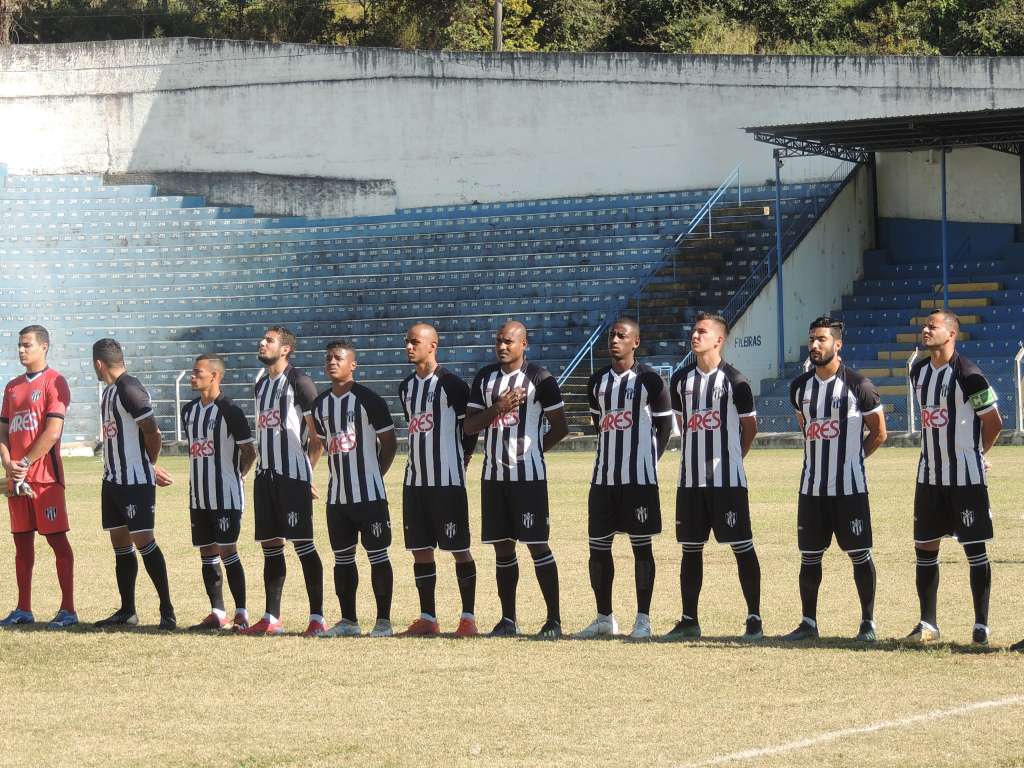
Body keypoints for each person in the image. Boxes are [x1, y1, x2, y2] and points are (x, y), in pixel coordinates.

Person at [783, 317, 886, 642]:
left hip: (850, 490)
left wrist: (852, 460)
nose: (815, 345)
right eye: (812, 339)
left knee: (859, 554)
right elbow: (806, 427)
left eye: (822, 340)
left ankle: (867, 623)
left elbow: (879, 433)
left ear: (837, 344)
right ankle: (808, 623)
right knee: (810, 556)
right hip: (811, 490)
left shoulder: (860, 386)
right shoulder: (799, 388)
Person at [465, 320, 568, 638]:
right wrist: (498, 407)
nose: (502, 346)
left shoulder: (541, 378)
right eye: (498, 341)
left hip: (529, 478)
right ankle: (508, 619)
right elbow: (469, 426)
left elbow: (560, 426)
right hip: (494, 477)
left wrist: (533, 452)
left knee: (537, 543)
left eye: (509, 341)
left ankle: (553, 621)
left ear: (524, 344)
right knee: (502, 547)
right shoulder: (485, 377)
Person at [667, 312, 763, 641]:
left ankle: (754, 618)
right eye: (694, 330)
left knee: (741, 547)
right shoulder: (680, 381)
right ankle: (689, 620)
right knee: (690, 550)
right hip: (691, 483)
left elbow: (750, 428)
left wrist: (733, 459)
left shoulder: (736, 381)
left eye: (702, 332)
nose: (695, 336)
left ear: (718, 340)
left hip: (728, 483)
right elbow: (682, 424)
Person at [908, 309, 1002, 646]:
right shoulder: (918, 371)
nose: (925, 329)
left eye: (932, 326)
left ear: (951, 334)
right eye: (925, 325)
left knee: (974, 549)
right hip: (929, 476)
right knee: (925, 547)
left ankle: (981, 627)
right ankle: (927, 624)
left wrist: (978, 456)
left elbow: (994, 422)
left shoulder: (970, 375)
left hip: (966, 479)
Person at [577, 318, 673, 640]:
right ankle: (604, 618)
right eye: (611, 335)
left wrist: (648, 461)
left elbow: (664, 428)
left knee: (641, 549)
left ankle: (643, 620)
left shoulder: (651, 381)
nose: (614, 340)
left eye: (622, 336)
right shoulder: (597, 382)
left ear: (636, 342)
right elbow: (598, 424)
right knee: (598, 549)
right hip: (603, 479)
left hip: (639, 481)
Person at [311, 340, 398, 637]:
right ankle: (348, 621)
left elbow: (389, 444)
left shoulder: (369, 400)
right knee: (342, 559)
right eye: (328, 358)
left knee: (377, 556)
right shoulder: (320, 404)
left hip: (370, 495)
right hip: (337, 497)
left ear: (353, 364)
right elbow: (324, 443)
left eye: (338, 358)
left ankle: (383, 621)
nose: (332, 362)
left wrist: (375, 474)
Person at [243, 326, 326, 637]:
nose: (262, 343)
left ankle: (317, 618)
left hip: (293, 476)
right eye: (262, 338)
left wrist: (306, 474)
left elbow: (317, 437)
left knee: (303, 544)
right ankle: (271, 617)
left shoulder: (299, 382)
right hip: (266, 476)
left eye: (269, 340)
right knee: (271, 547)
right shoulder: (261, 382)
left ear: (286, 349)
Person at [397, 323, 479, 637]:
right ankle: (428, 618)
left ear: (433, 345)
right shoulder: (406, 387)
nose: (408, 347)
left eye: (414, 342)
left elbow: (469, 430)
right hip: (415, 480)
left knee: (459, 547)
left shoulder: (453, 386)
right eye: (407, 342)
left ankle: (468, 618)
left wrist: (464, 458)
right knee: (420, 549)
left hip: (447, 480)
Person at [91, 338, 176, 629]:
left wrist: (149, 466)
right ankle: (128, 611)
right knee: (120, 543)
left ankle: (167, 610)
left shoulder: (129, 388)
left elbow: (152, 433)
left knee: (144, 541)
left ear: (98, 363)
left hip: (134, 481)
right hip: (112, 479)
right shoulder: (108, 393)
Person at [0, 325, 76, 628]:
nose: (21, 350)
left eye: (27, 345)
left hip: (45, 478)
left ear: (44, 346)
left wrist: (26, 462)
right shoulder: (12, 386)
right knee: (21, 545)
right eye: (19, 345)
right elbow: (3, 431)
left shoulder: (55, 382)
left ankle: (68, 609)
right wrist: (8, 462)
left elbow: (53, 431)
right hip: (16, 479)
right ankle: (23, 609)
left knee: (57, 542)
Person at [181, 354, 257, 631]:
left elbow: (249, 451)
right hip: (198, 495)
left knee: (228, 550)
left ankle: (241, 613)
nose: (192, 376)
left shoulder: (230, 410)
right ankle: (217, 612)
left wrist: (240, 474)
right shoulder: (188, 411)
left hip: (226, 494)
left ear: (214, 376)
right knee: (207, 552)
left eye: (197, 372)